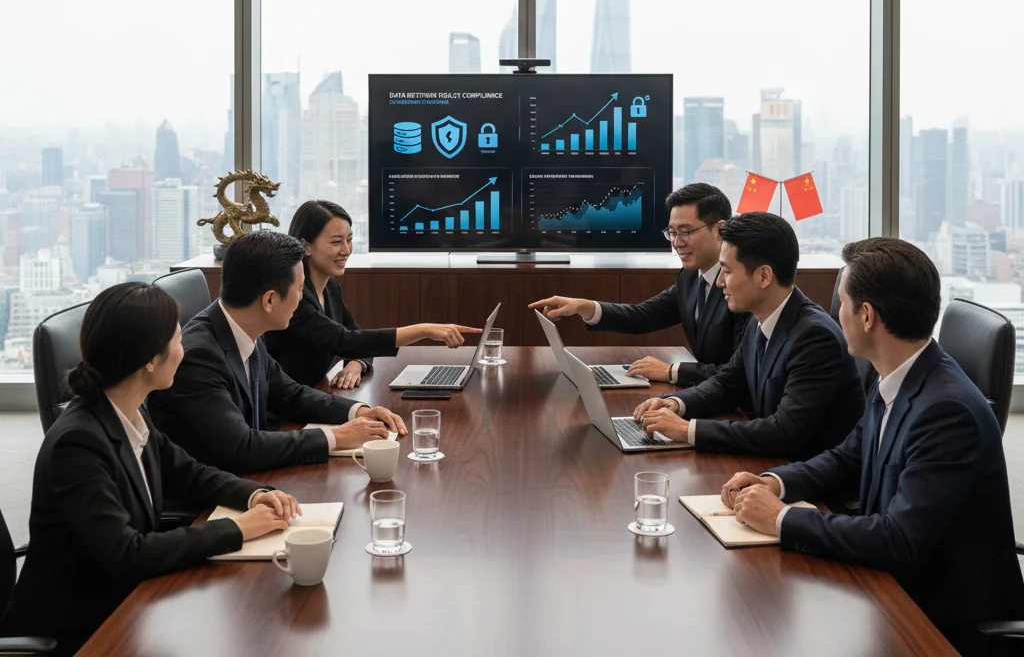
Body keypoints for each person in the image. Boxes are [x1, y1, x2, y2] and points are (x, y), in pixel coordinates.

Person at [721, 238, 1024, 656]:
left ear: (867, 316)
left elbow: (899, 540)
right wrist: (776, 482)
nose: (835, 313)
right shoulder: (899, 374)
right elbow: (848, 455)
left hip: (940, 624)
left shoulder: (947, 411)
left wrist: (781, 519)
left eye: (841, 302)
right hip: (888, 589)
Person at [0, 283, 300, 656]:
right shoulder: (76, 444)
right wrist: (237, 528)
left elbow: (189, 473)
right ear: (149, 359)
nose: (184, 349)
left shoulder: (129, 410)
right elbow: (128, 554)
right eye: (177, 339)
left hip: (129, 606)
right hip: (82, 631)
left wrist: (255, 494)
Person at [148, 230, 408, 475]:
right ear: (269, 300)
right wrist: (337, 437)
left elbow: (290, 395)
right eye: (299, 289)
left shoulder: (244, 327)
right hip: (210, 502)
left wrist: (358, 412)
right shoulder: (199, 357)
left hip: (255, 476)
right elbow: (241, 448)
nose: (301, 297)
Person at [633, 212, 864, 460]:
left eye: (727, 272)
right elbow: (728, 383)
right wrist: (677, 404)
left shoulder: (815, 338)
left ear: (764, 276)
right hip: (769, 464)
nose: (720, 282)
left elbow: (784, 432)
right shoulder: (758, 320)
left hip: (809, 482)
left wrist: (688, 430)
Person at [528, 184, 749, 386]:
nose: (677, 242)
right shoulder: (690, 278)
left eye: (686, 232)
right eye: (672, 232)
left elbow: (740, 372)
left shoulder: (742, 287)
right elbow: (642, 316)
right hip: (707, 393)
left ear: (720, 230)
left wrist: (672, 371)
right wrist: (582, 306)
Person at [264, 200, 482, 389]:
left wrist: (356, 364)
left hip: (315, 395)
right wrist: (423, 330)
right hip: (286, 411)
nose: (346, 250)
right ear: (306, 246)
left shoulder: (331, 287)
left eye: (349, 239)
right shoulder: (294, 298)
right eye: (336, 242)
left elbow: (358, 338)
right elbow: (345, 341)